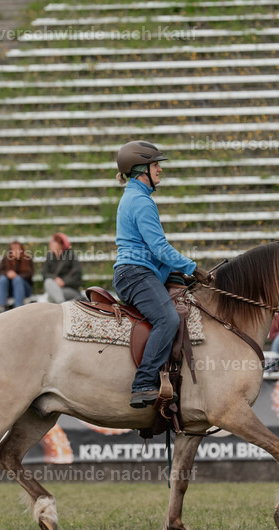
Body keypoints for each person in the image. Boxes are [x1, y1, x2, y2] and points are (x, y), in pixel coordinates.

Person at [112, 140, 210, 408]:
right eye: (156, 165)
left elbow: (154, 253)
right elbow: (159, 248)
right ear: (142, 169)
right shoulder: (141, 202)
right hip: (135, 274)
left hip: (140, 271)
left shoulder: (135, 197)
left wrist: (178, 273)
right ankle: (143, 383)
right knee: (167, 319)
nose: (160, 170)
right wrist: (192, 267)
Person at [42, 232, 83, 303]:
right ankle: (62, 303)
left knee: (51, 297)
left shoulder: (71, 255)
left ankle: (61, 304)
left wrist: (64, 282)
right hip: (54, 288)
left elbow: (77, 275)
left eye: (54, 242)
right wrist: (55, 278)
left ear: (61, 245)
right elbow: (44, 273)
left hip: (70, 289)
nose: (51, 244)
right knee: (48, 282)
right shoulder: (49, 256)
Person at [0, 240, 33, 312]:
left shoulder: (27, 259)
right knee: (3, 278)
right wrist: (7, 273)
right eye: (13, 249)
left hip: (24, 289)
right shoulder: (6, 259)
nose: (16, 251)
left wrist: (16, 275)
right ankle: (2, 305)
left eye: (17, 249)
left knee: (17, 279)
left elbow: (29, 274)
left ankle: (18, 307)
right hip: (10, 289)